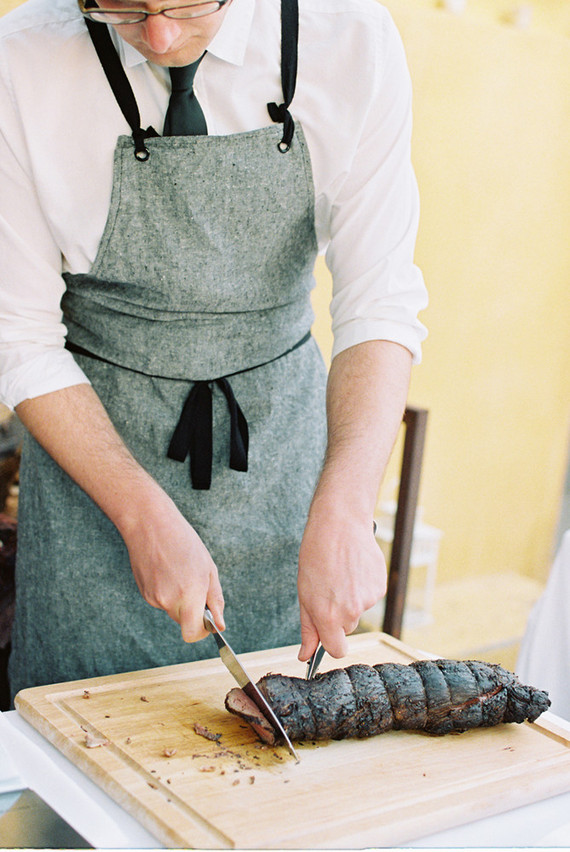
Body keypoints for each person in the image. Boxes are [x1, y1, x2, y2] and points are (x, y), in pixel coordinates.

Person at [0, 0, 427, 702]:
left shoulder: (351, 39)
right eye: (123, 7)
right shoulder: (20, 58)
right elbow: (20, 336)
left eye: (188, 4)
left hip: (282, 471)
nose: (159, 35)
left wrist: (349, 507)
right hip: (95, 486)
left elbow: (378, 301)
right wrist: (139, 513)